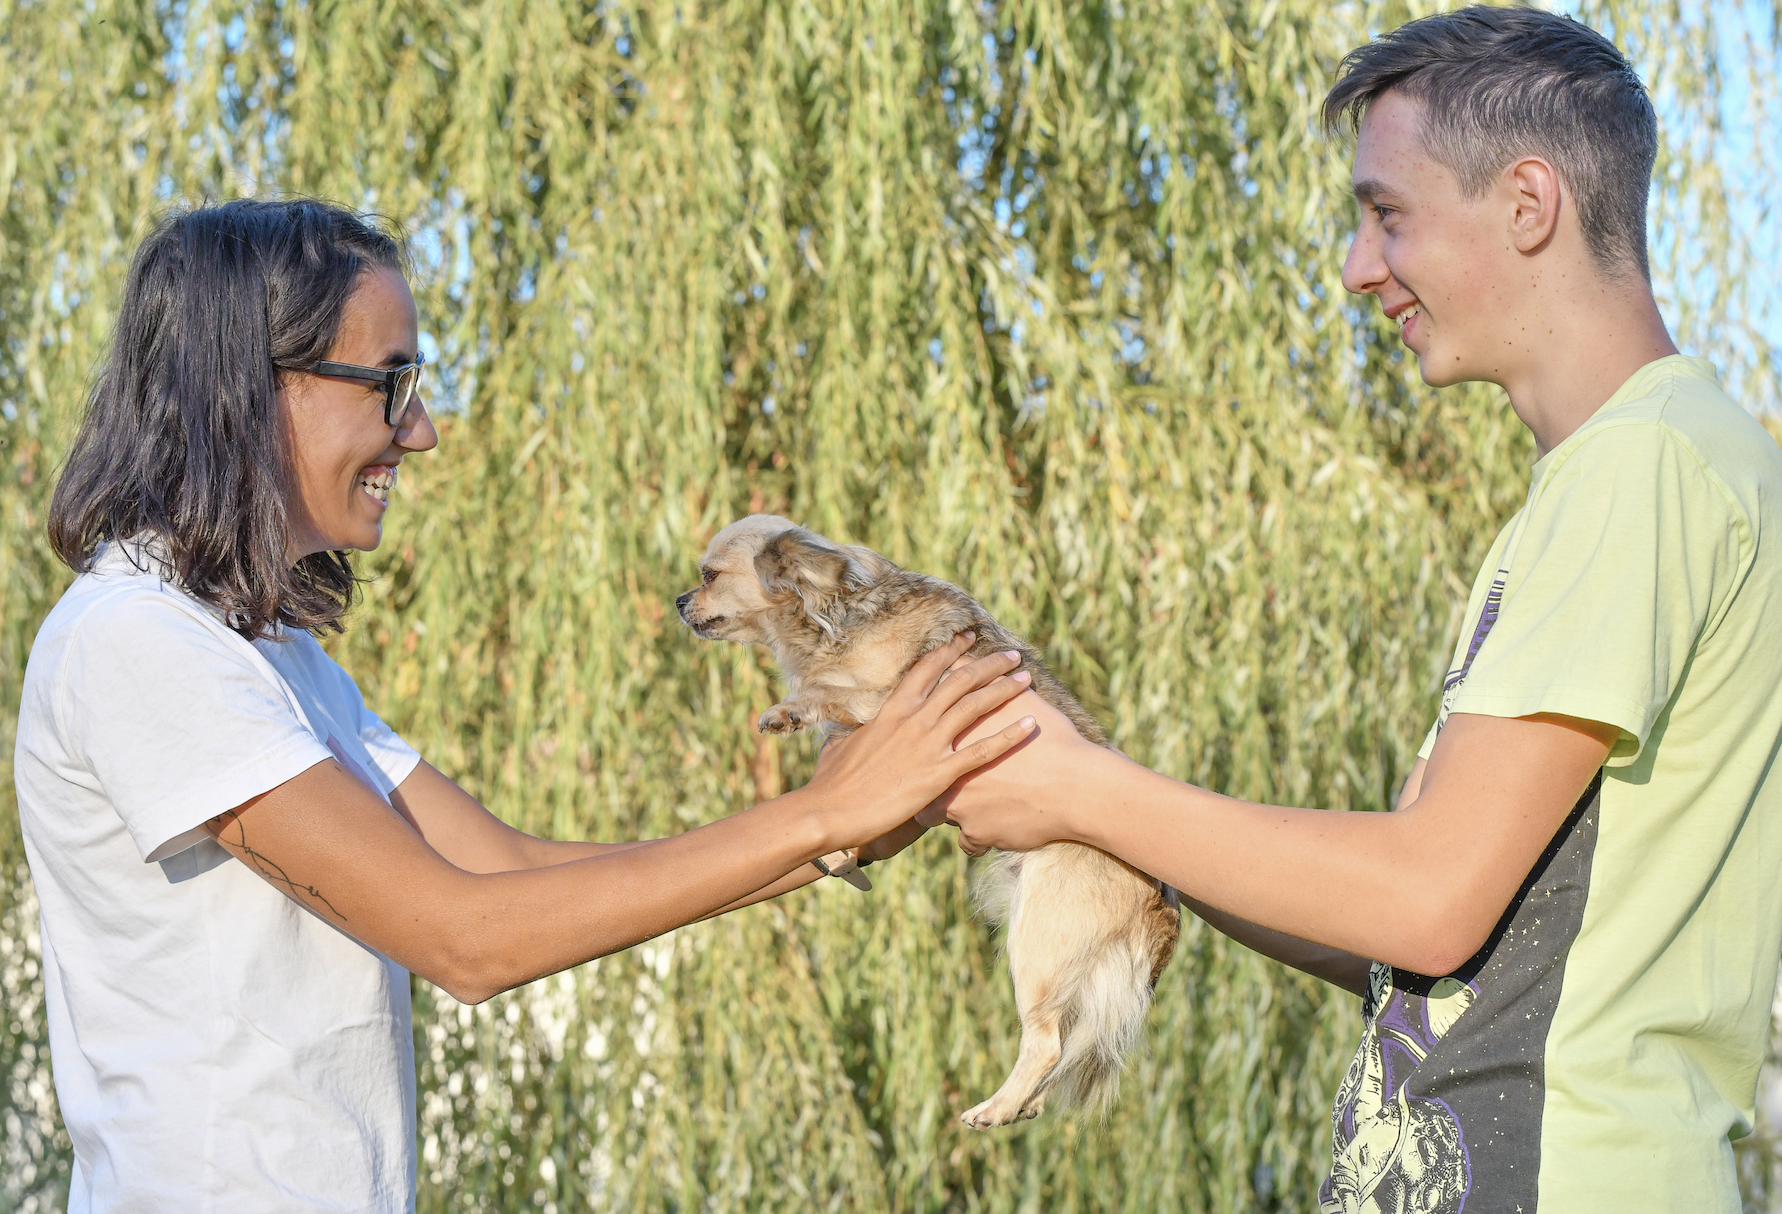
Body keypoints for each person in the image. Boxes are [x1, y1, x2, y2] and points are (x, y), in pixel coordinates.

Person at [13, 199, 1039, 1212]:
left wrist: (845, 831)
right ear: (253, 387)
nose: (422, 431)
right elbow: (467, 936)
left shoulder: (272, 652)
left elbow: (500, 867)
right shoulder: (136, 640)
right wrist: (823, 814)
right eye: (391, 383)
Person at [935, 7, 1782, 1211]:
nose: (1356, 265)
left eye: (1389, 214)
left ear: (1529, 204)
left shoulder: (1640, 471)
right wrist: (1103, 807)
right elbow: (1423, 949)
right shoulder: (1637, 470)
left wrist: (1082, 787)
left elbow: (1427, 900)